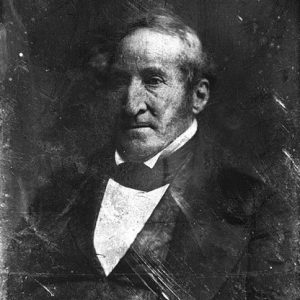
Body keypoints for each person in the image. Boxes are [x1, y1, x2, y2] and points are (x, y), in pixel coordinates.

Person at [8, 8, 296, 300]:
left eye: (153, 81)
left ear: (198, 95)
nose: (132, 105)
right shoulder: (58, 193)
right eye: (122, 81)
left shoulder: (256, 208)